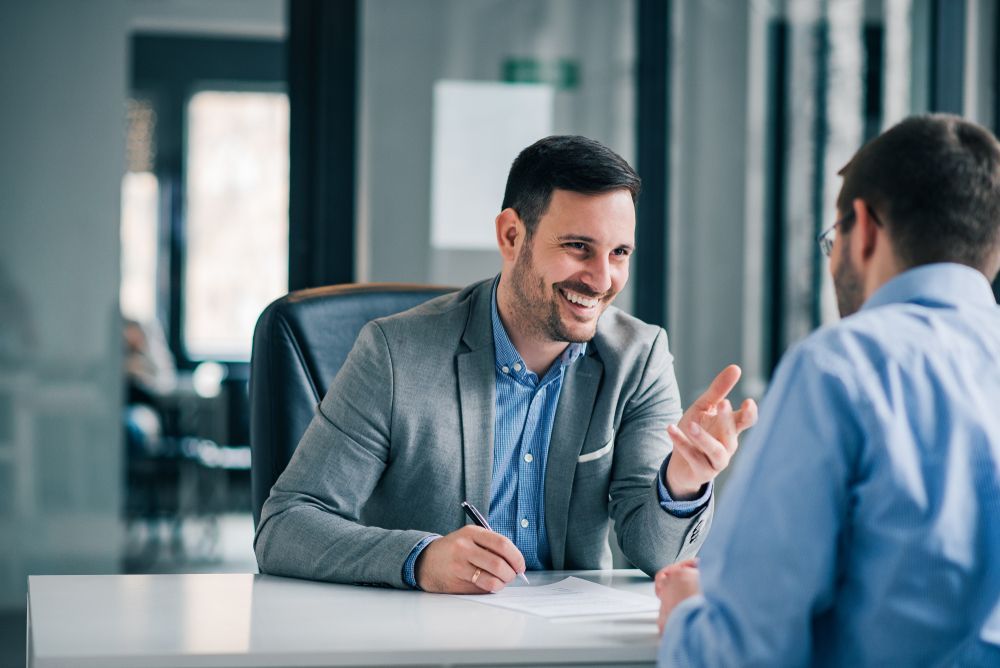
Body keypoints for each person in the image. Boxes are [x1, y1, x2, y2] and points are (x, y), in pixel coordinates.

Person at [255, 135, 757, 592]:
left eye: (619, 252)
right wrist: (421, 558)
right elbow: (285, 525)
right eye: (578, 247)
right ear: (512, 236)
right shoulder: (394, 353)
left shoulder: (637, 359)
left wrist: (683, 481)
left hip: (567, 648)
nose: (602, 279)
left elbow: (655, 554)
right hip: (424, 642)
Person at [656, 114, 1000, 666]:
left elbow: (744, 653)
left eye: (831, 237)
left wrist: (690, 615)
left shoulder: (841, 367)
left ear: (862, 228)